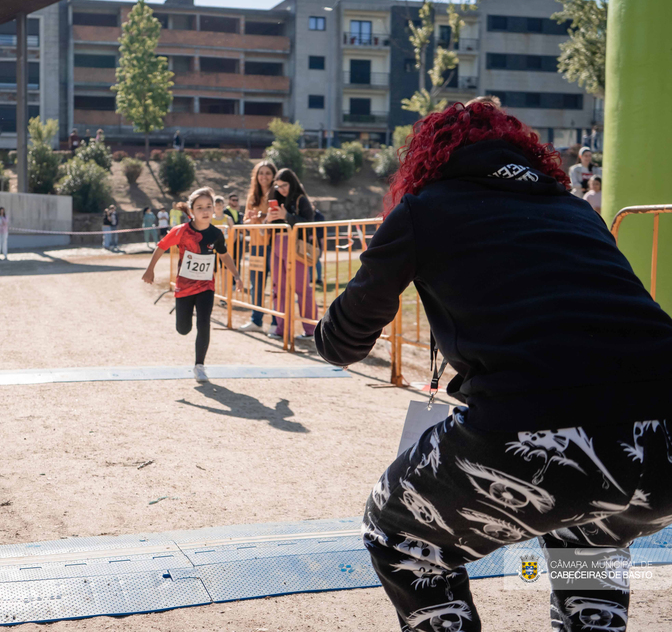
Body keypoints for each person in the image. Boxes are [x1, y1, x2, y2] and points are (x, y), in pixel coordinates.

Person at [315, 101, 672, 632]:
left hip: (534, 423)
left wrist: (327, 329)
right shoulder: (577, 211)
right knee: (588, 527)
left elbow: (345, 342)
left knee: (399, 531)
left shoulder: (423, 209)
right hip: (664, 440)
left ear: (428, 157)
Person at [141, 187, 242, 382]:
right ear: (191, 211)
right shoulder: (181, 231)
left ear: (213, 209)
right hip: (184, 287)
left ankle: (199, 365)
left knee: (204, 323)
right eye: (199, 207)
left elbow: (224, 255)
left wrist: (236, 275)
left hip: (206, 287)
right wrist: (150, 269)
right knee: (183, 329)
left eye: (208, 207)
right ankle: (186, 328)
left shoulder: (216, 234)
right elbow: (161, 246)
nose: (205, 211)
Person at [266, 168, 317, 341]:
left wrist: (287, 216)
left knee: (302, 289)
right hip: (277, 244)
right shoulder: (275, 197)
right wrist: (268, 219)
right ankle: (282, 329)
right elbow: (268, 226)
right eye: (278, 185)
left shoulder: (301, 199)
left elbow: (309, 222)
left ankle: (311, 330)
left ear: (292, 182)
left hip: (295, 245)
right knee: (278, 289)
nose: (281, 189)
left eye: (284, 185)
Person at [237, 160, 278, 333]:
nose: (264, 176)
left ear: (273, 175)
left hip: (275, 246)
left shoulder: (277, 193)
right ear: (256, 176)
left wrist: (260, 217)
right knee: (257, 285)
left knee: (277, 285)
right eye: (261, 173)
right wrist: (252, 219)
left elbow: (275, 215)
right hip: (256, 246)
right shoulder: (252, 196)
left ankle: (276, 323)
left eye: (268, 173)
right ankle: (256, 320)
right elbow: (247, 220)